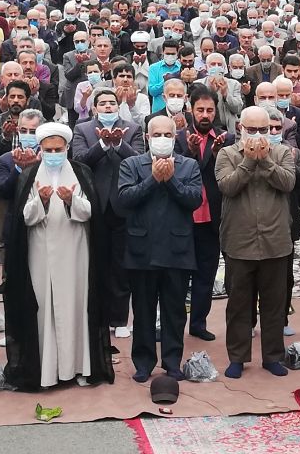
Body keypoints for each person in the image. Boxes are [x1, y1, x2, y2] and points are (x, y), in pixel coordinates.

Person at [3, 122, 115, 390]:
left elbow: (90, 213)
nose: (54, 153)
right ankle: (46, 371)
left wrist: (70, 201)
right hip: (39, 251)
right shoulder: (29, 175)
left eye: (59, 148)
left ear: (67, 148)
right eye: (48, 149)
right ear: (40, 149)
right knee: (43, 309)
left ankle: (78, 367)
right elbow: (22, 219)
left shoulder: (81, 172)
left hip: (75, 250)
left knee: (75, 307)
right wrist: (39, 201)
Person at [116, 115, 204, 382]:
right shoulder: (131, 164)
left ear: (175, 137)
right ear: (147, 137)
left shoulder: (188, 165)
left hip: (177, 250)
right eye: (157, 135)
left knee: (175, 312)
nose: (163, 140)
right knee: (143, 310)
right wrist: (153, 179)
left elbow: (194, 200)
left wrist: (171, 181)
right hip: (142, 250)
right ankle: (143, 363)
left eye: (168, 135)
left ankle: (172, 362)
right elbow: (124, 199)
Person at [216, 106, 297, 379]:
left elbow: (288, 183)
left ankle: (273, 356)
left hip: (275, 242)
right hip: (239, 241)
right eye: (252, 130)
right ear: (240, 128)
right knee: (238, 304)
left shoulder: (283, 153)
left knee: (275, 304)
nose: (259, 136)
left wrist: (265, 161)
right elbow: (227, 186)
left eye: (265, 130)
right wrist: (249, 161)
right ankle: (237, 358)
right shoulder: (226, 154)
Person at [71, 88, 145, 339]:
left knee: (121, 266)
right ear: (94, 108)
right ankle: (98, 318)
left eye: (112, 103)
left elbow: (138, 160)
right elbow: (79, 160)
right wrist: (103, 144)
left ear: (118, 105)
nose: (107, 107)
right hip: (94, 204)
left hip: (123, 207)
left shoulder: (132, 129)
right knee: (95, 263)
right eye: (102, 104)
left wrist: (119, 143)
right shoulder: (82, 129)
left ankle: (120, 318)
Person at [175, 87, 235, 342]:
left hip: (213, 217)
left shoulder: (225, 139)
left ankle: (198, 323)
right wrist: (190, 152)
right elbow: (178, 173)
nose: (205, 115)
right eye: (200, 110)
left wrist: (216, 155)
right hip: (183, 218)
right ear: (190, 109)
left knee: (206, 274)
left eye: (210, 110)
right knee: (178, 277)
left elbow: (226, 174)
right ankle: (175, 323)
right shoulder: (178, 138)